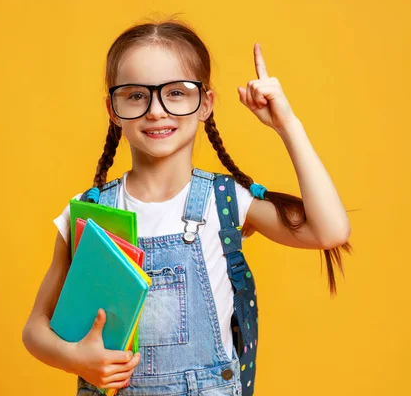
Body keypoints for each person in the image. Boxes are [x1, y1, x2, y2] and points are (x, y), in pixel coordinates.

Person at [22, 20, 351, 396]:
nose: (156, 110)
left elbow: (331, 231)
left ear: (205, 104)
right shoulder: (89, 213)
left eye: (176, 93)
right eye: (135, 95)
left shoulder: (224, 202)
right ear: (113, 109)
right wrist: (77, 358)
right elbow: (35, 329)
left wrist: (287, 124)